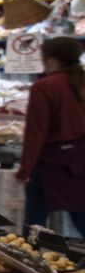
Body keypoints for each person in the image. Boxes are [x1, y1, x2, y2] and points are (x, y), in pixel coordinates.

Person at [17, 37, 85, 232]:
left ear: (52, 60)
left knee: (34, 222)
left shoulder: (44, 87)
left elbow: (35, 133)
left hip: (49, 162)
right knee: (81, 216)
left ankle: (28, 260)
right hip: (80, 161)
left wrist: (25, 169)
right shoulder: (80, 83)